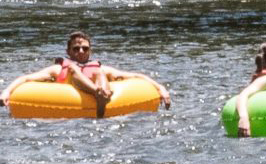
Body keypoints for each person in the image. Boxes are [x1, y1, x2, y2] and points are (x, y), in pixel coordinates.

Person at [1, 31, 171, 117]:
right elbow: (26, 79)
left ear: (90, 50)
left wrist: (161, 89)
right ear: (68, 51)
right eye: (76, 48)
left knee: (99, 72)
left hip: (99, 92)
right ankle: (100, 94)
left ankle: (102, 94)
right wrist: (6, 92)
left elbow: (135, 76)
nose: (81, 51)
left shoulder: (98, 67)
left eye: (85, 48)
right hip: (71, 94)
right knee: (73, 70)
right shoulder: (59, 69)